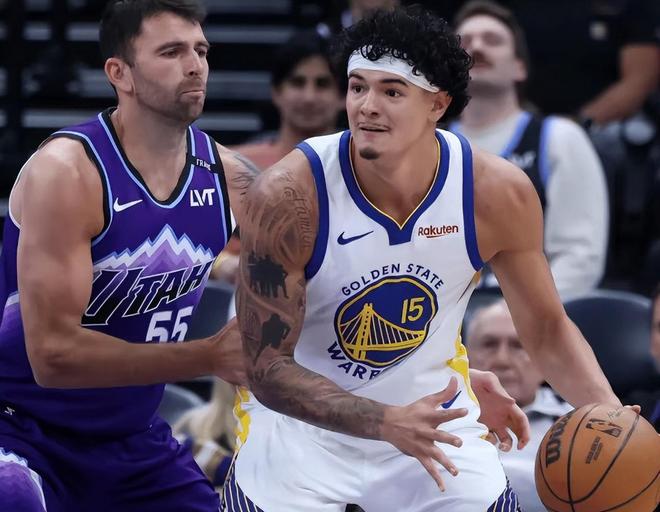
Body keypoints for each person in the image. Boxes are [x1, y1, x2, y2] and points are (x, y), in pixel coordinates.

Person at [228, 6, 625, 512]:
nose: (367, 107)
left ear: (437, 104)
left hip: (434, 420)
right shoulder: (289, 195)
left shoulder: (494, 192)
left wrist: (613, 418)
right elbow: (265, 369)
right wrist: (384, 420)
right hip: (301, 431)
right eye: (357, 87)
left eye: (391, 92)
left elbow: (546, 330)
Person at [0, 1, 259, 511]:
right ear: (120, 73)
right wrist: (208, 356)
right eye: (172, 52)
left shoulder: (231, 177)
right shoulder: (67, 171)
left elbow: (322, 271)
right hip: (23, 429)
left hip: (133, 438)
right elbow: (52, 357)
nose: (195, 65)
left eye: (201, 50)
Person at [450, 0, 609, 298]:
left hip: (524, 313)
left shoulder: (559, 137)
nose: (477, 47)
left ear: (519, 67)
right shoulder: (425, 145)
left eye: (492, 40)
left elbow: (580, 258)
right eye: (465, 42)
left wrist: (517, 313)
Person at [211, 30, 344, 284]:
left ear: (343, 96)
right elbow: (189, 241)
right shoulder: (228, 165)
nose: (309, 96)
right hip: (239, 296)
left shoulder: (365, 172)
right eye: (297, 82)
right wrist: (223, 264)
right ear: (276, 92)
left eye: (322, 84)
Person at [466, 299, 572, 512]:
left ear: (544, 362)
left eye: (518, 345)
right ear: (465, 355)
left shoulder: (577, 422)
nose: (502, 360)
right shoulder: (436, 416)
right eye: (489, 344)